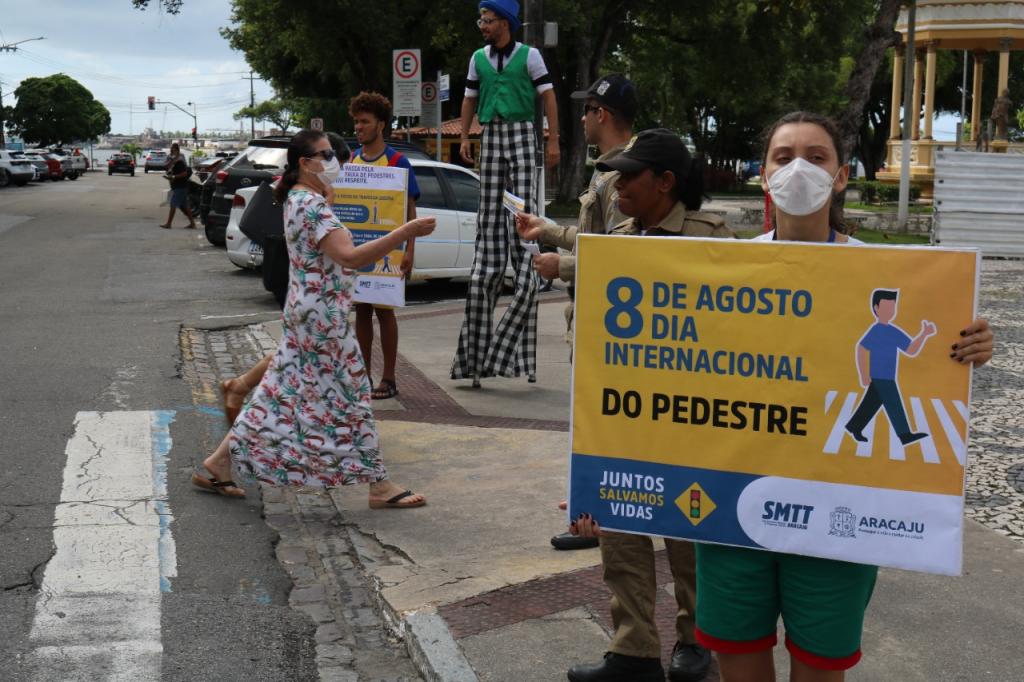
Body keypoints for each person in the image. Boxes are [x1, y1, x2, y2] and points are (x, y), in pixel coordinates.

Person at [694, 111, 994, 682]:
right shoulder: (724, 272)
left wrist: (972, 342)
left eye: (816, 157)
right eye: (784, 157)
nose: (799, 169)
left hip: (839, 517)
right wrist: (599, 473)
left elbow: (934, 349)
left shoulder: (892, 274)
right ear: (764, 175)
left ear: (840, 176)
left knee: (820, 667)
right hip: (730, 506)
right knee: (738, 663)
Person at [193, 129, 435, 509]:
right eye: (325, 155)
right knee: (351, 396)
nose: (333, 161)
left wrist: (328, 196)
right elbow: (350, 257)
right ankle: (379, 485)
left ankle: (219, 461)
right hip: (323, 321)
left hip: (307, 312)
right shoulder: (310, 204)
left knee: (278, 396)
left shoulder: (299, 197)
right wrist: (405, 231)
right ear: (305, 163)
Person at [566, 128, 731, 682]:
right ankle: (632, 650)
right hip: (624, 414)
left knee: (689, 533)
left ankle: (696, 642)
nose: (617, 185)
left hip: (689, 419)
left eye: (629, 175)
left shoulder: (712, 237)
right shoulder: (619, 235)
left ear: (665, 182)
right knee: (619, 530)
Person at [514, 72, 637, 552]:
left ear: (600, 114)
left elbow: (624, 255)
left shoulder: (625, 172)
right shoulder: (606, 169)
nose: (581, 119)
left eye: (586, 110)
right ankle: (592, 505)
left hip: (611, 322)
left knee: (601, 426)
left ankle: (595, 516)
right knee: (593, 423)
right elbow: (596, 239)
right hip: (593, 317)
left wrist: (559, 265)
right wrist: (546, 230)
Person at [451, 0, 560, 388]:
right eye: (480, 20)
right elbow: (468, 98)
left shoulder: (529, 56)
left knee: (523, 208)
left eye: (488, 20)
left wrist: (552, 139)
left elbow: (548, 96)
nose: (483, 26)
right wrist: (465, 136)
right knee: (489, 215)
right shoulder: (478, 58)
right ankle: (478, 358)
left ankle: (525, 251)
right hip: (491, 133)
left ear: (505, 22)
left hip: (521, 131)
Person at [219, 133, 353, 425]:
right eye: (333, 160)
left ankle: (239, 390)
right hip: (305, 290)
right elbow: (338, 249)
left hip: (298, 286)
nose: (337, 169)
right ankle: (247, 416)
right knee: (292, 365)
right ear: (309, 163)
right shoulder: (310, 197)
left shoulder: (301, 190)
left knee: (290, 355)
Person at [348, 92, 420, 401]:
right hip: (360, 250)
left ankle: (389, 378)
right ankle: (362, 376)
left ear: (381, 124)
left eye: (364, 121)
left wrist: (410, 250)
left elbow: (410, 210)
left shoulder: (397, 161)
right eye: (356, 122)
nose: (358, 127)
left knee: (385, 311)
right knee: (362, 311)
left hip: (390, 252)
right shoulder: (351, 160)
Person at [844, 289, 934, 446]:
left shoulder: (893, 331)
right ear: (876, 308)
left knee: (871, 403)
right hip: (881, 377)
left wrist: (924, 334)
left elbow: (911, 350)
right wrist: (864, 375)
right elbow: (861, 348)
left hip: (887, 376)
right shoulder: (876, 330)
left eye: (892, 307)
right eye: (886, 307)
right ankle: (904, 435)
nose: (890, 311)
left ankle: (854, 427)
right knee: (894, 404)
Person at [160, 143, 195, 229]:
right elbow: (167, 167)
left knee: (173, 204)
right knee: (185, 206)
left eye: (173, 150)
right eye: (171, 150)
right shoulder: (173, 161)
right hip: (178, 185)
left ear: (177, 151)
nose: (171, 152)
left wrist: (174, 177)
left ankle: (169, 224)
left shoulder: (180, 161)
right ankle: (192, 224)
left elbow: (184, 173)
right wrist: (170, 176)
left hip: (181, 186)